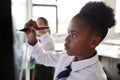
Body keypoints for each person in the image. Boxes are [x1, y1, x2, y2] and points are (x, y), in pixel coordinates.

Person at [24, 1, 115, 80]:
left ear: (93, 42)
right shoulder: (67, 56)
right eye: (68, 33)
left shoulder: (94, 77)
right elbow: (44, 57)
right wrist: (32, 40)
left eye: (74, 35)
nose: (66, 39)